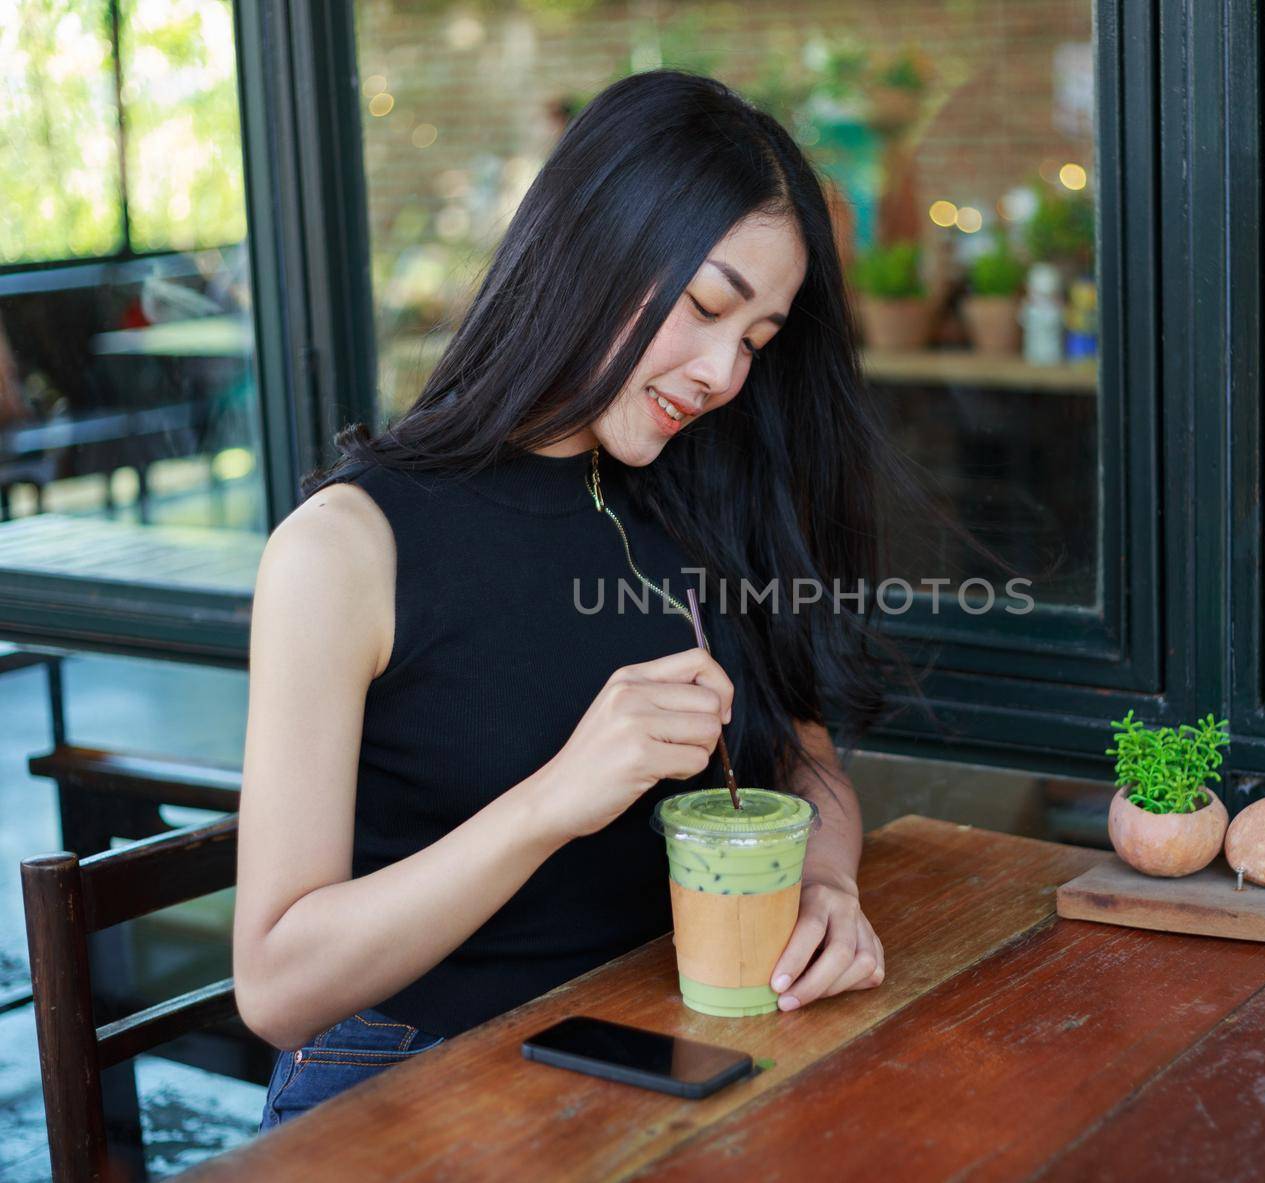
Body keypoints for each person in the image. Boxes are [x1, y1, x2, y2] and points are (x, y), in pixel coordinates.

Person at [234, 68, 953, 1130]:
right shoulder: (346, 549)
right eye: (709, 305)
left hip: (658, 1054)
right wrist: (553, 800)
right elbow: (277, 985)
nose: (722, 372)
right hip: (410, 1085)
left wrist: (828, 889)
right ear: (593, 246)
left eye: (757, 340)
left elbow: (803, 754)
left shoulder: (693, 496)